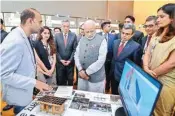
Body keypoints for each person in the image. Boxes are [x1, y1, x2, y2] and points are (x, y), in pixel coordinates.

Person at [0, 8, 52, 115]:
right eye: (40, 21)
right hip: (19, 96)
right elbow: (4, 75)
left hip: (25, 92)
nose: (41, 25)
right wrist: (34, 82)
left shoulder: (24, 36)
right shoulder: (15, 40)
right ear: (30, 21)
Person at [143, 3, 175, 116]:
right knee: (148, 108)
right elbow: (147, 52)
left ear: (172, 18)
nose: (158, 20)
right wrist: (146, 68)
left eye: (162, 17)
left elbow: (171, 63)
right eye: (158, 17)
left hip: (166, 82)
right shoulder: (157, 33)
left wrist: (151, 74)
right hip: (151, 75)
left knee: (161, 112)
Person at [74, 20, 107, 93]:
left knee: (95, 99)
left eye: (92, 31)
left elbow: (101, 60)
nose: (89, 34)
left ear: (95, 29)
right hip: (81, 75)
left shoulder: (102, 40)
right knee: (82, 97)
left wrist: (86, 72)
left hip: (96, 78)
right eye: (87, 32)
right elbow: (76, 55)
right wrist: (80, 69)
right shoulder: (82, 39)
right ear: (84, 30)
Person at [111, 23, 142, 95]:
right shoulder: (115, 42)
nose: (124, 35)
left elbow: (135, 66)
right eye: (123, 33)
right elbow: (114, 59)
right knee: (113, 95)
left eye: (127, 34)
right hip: (113, 75)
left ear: (132, 34)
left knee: (122, 98)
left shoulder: (136, 46)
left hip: (125, 77)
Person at [55, 20, 77, 85]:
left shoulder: (73, 35)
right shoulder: (57, 36)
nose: (66, 28)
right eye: (64, 26)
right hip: (60, 64)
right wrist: (60, 59)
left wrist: (70, 60)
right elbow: (55, 50)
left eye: (67, 26)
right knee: (61, 81)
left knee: (70, 81)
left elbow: (74, 50)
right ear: (61, 27)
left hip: (70, 64)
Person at [98, 21, 116, 92]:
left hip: (109, 59)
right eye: (108, 26)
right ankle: (100, 86)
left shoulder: (113, 36)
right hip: (99, 59)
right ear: (104, 27)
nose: (110, 27)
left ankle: (107, 87)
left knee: (108, 74)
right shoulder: (97, 35)